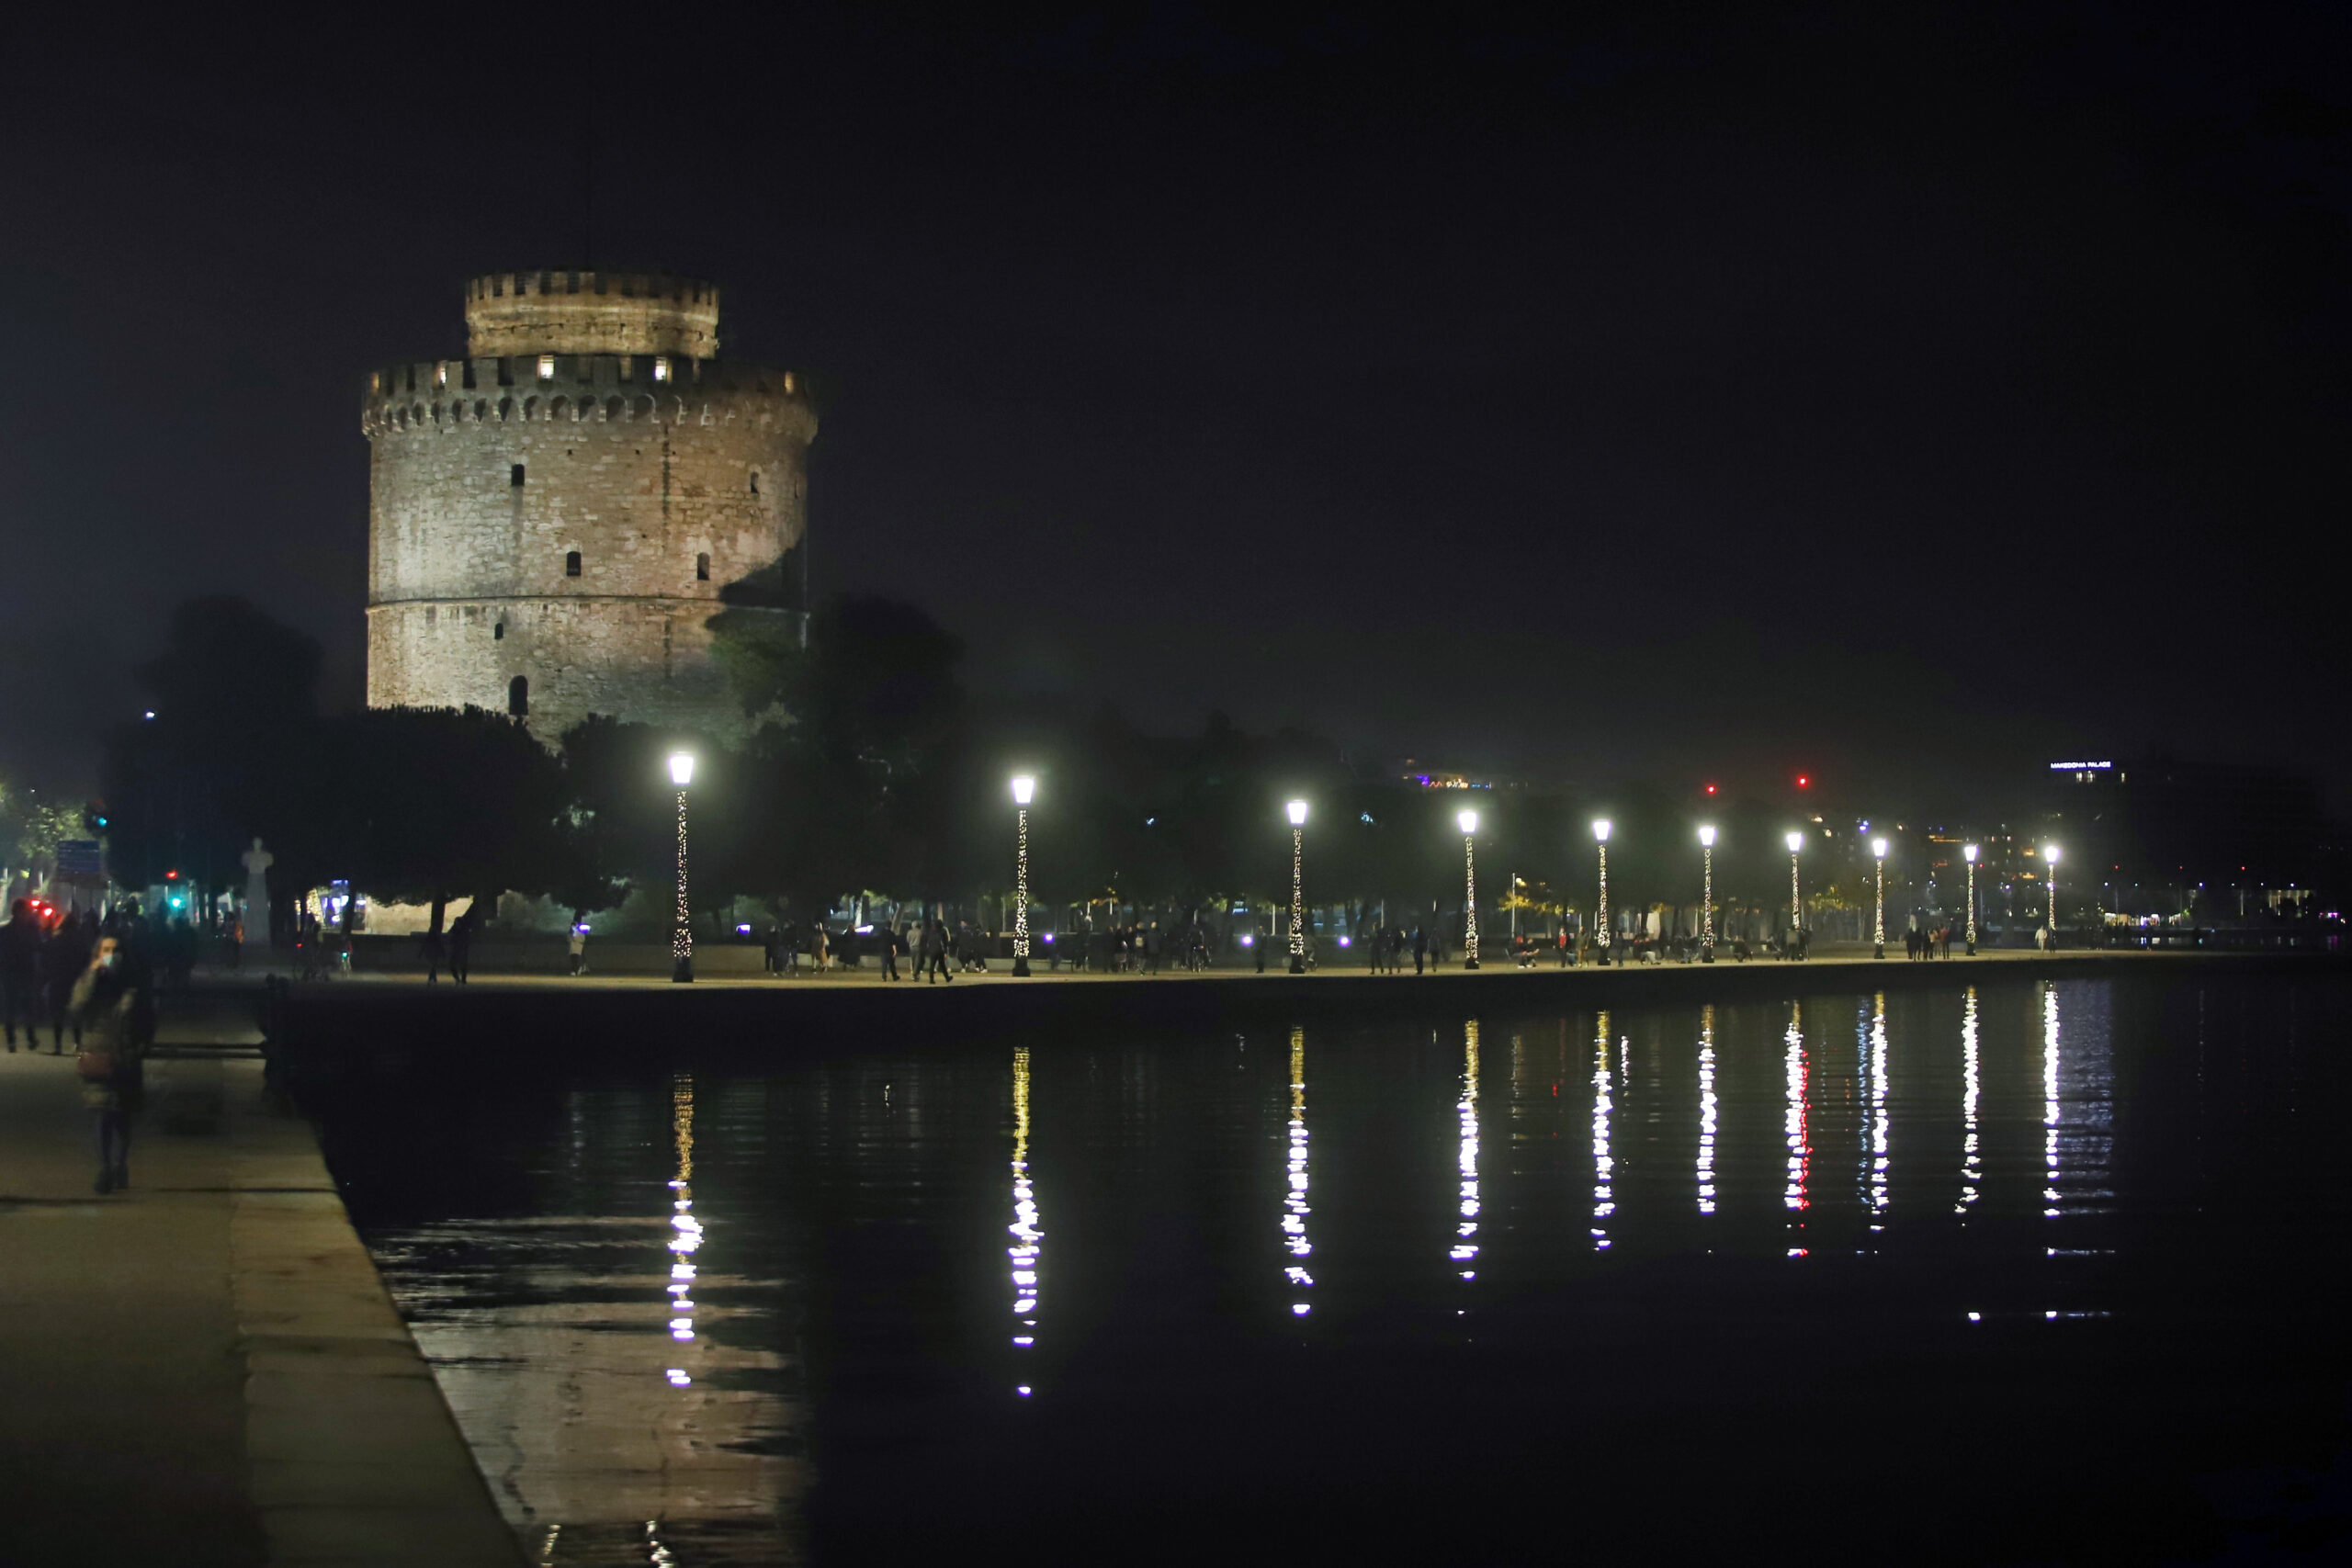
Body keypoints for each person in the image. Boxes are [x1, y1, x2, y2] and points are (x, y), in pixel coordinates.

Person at [72, 933, 146, 1195]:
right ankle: (104, 1168)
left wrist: (139, 1047)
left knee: (123, 1116)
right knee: (102, 1113)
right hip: (98, 1056)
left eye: (114, 950)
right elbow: (76, 1008)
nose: (110, 955)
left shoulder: (133, 984)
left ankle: (120, 1163)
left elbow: (147, 1019)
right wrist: (93, 975)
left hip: (126, 1057)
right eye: (105, 949)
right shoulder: (90, 980)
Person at [44, 913, 93, 1052]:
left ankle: (58, 1045)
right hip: (75, 979)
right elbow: (87, 959)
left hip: (58, 979)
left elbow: (47, 958)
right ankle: (78, 1043)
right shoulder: (80, 940)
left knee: (57, 1013)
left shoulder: (56, 939)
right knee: (75, 1012)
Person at [2, 898, 43, 1052]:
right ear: (21, 912)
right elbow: (39, 947)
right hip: (25, 972)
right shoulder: (30, 931)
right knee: (27, 1007)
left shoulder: (5, 931)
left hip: (9, 972)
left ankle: (12, 1041)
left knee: (10, 1007)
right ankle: (30, 1038)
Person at [447, 907, 478, 985]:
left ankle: (463, 979)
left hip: (462, 949)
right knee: (453, 965)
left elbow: (466, 939)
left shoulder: (462, 931)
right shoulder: (455, 930)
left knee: (462, 965)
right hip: (457, 949)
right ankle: (458, 979)